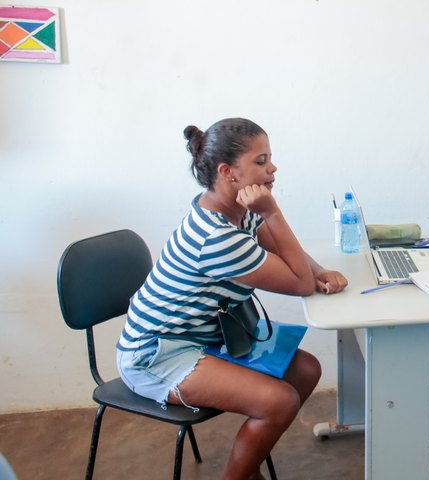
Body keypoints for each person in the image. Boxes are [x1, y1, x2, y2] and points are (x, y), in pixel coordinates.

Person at [116, 118, 348, 480]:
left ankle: (248, 466)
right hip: (155, 356)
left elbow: (290, 257)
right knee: (279, 401)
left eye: (270, 158)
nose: (272, 168)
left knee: (306, 370)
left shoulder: (234, 213)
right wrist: (272, 211)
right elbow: (299, 283)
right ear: (228, 172)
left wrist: (319, 271)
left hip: (202, 339)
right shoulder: (217, 237)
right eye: (261, 161)